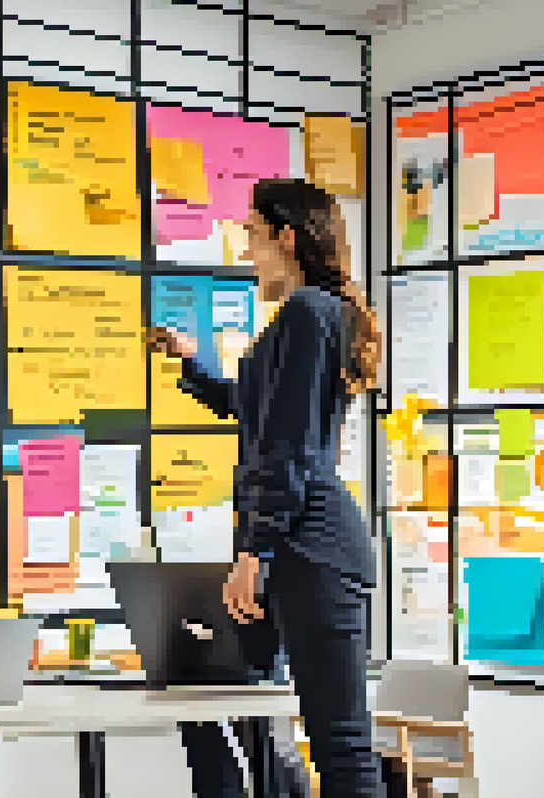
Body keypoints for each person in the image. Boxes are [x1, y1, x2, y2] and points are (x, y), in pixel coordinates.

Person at [148, 178, 385, 798]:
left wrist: (254, 553)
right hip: (292, 542)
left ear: (286, 236)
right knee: (213, 696)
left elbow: (288, 447)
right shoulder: (298, 318)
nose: (245, 248)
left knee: (341, 747)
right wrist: (188, 363)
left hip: (311, 548)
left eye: (252, 232)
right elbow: (254, 408)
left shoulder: (310, 313)